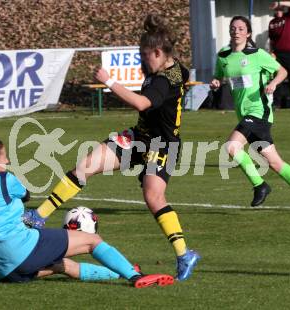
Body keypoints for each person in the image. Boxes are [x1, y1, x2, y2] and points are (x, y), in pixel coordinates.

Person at [23, 13, 200, 281]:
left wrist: (108, 81)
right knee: (86, 165)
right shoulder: (174, 68)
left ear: (158, 52)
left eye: (145, 56)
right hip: (139, 136)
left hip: (164, 144)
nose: (143, 62)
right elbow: (174, 75)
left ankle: (184, 254)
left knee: (154, 198)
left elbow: (142, 103)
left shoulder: (165, 79)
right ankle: (39, 215)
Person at [0, 137, 175, 288]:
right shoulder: (4, 179)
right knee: (92, 240)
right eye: (4, 158)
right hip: (19, 249)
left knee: (61, 265)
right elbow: (25, 195)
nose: (7, 162)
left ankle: (121, 270)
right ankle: (135, 276)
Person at [210, 16, 290, 211]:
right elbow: (218, 76)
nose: (236, 31)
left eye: (241, 28)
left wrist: (273, 83)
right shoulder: (223, 56)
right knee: (275, 162)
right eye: (233, 28)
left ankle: (260, 186)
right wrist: (216, 82)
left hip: (259, 111)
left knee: (231, 147)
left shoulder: (258, 54)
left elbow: (283, 71)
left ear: (248, 33)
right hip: (244, 114)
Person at [268, 1, 290, 108]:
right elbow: (272, 40)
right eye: (276, 9)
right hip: (278, 54)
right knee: (278, 77)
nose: (278, 11)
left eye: (280, 9)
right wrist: (272, 52)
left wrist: (279, 3)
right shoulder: (272, 23)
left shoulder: (289, 18)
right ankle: (276, 102)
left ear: (283, 9)